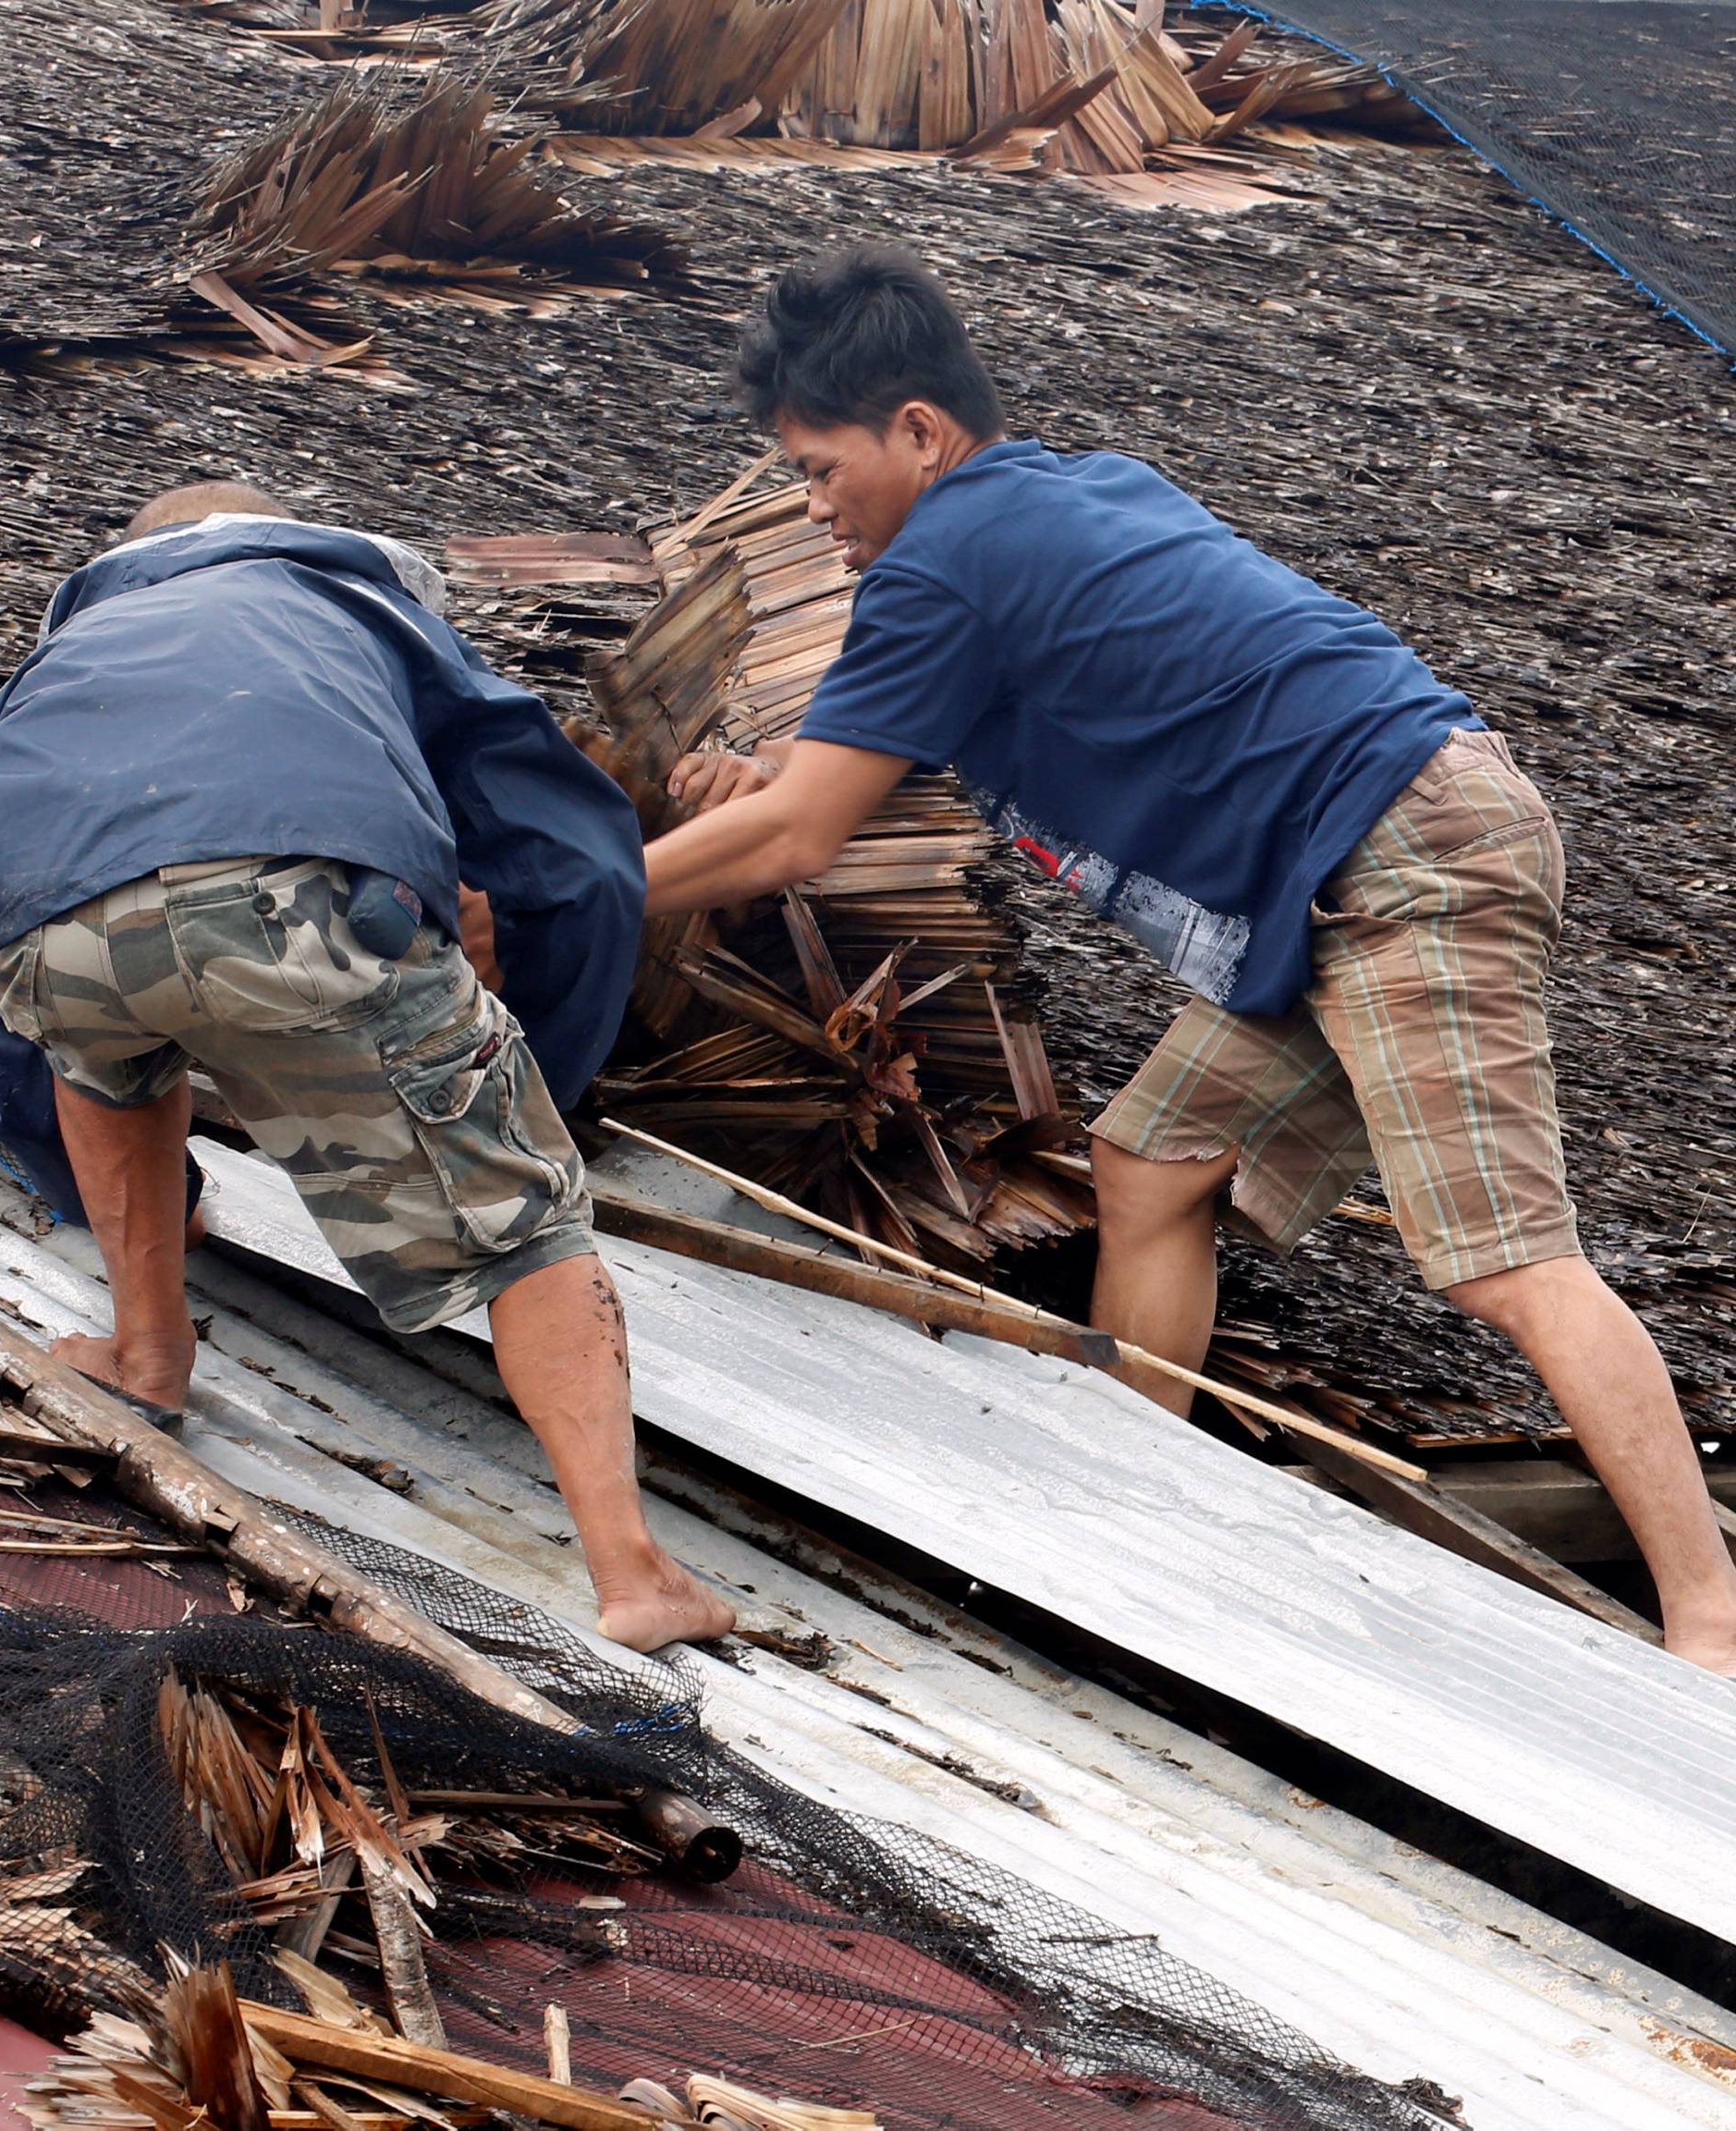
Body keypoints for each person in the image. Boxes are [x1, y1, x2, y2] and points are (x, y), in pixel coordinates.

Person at [642, 247, 1736, 1675]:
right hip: (1356, 856)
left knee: (1503, 1262)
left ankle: (1710, 1618)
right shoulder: (1059, 494)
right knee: (1152, 1167)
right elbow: (855, 770)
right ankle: (1128, 1513)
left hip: (1401, 858)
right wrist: (778, 770)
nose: (811, 503)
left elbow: (799, 844)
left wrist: (561, 897)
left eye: (818, 464)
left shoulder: (943, 565)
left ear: (916, 431)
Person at [0, 481, 733, 1652]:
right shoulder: (355, 601)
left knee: (102, 1039)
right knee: (527, 1224)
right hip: (297, 901)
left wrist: (74, 1185)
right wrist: (538, 1097)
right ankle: (634, 1571)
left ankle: (147, 1349)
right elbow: (582, 869)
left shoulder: (56, 663)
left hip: (39, 930)